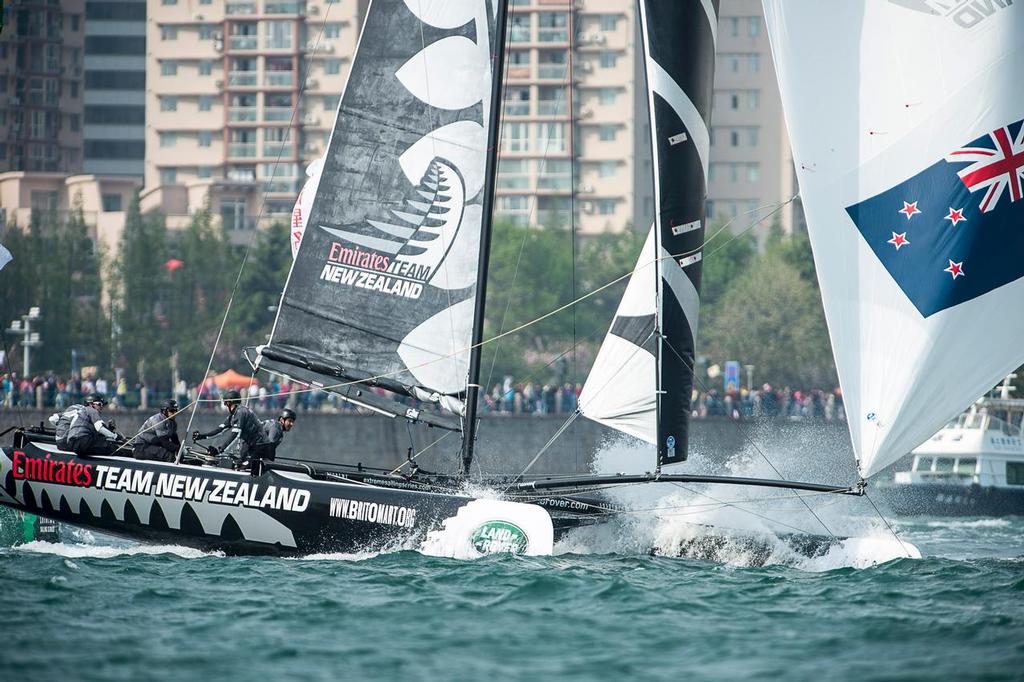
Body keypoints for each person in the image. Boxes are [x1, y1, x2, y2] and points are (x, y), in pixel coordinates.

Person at [192, 389, 263, 468]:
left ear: (230, 403)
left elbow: (235, 435)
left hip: (259, 443)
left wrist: (220, 450)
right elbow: (219, 431)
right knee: (241, 458)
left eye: (225, 403)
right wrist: (201, 436)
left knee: (242, 464)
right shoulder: (233, 415)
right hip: (250, 442)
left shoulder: (240, 412)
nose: (225, 405)